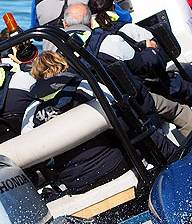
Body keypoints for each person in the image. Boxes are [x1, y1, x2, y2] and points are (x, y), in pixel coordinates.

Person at [60, 4, 178, 164]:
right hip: (134, 109)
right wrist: (151, 51)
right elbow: (142, 65)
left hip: (99, 123)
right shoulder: (110, 42)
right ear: (91, 23)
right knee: (180, 110)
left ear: (65, 25)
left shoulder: (57, 61)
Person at [88, 0, 192, 135]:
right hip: (154, 86)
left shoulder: (95, 42)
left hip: (130, 95)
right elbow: (159, 62)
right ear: (113, 6)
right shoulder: (131, 30)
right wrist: (153, 50)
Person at [22, 51, 129, 196]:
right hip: (115, 164)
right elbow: (120, 113)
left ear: (36, 75)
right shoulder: (86, 87)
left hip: (76, 182)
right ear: (63, 65)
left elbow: (30, 153)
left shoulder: (32, 110)